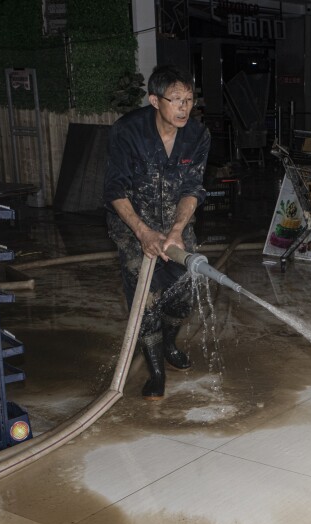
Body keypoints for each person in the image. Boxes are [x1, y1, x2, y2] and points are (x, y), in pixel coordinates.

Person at [104, 64, 211, 399]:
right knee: (145, 300)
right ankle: (156, 371)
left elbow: (193, 188)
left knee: (183, 292)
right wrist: (142, 232)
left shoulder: (197, 136)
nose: (184, 108)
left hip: (176, 226)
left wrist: (177, 230)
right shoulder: (127, 132)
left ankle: (169, 344)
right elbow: (114, 189)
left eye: (189, 100)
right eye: (175, 100)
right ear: (154, 100)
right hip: (133, 225)